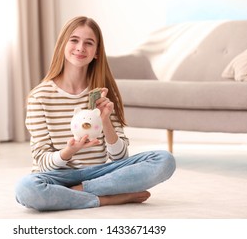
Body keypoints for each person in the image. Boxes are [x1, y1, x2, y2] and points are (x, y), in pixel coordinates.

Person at [15, 16, 176, 211]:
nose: (80, 47)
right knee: (26, 189)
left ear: (97, 53)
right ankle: (109, 198)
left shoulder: (104, 94)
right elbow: (42, 162)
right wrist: (69, 151)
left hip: (101, 174)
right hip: (58, 177)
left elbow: (120, 158)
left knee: (165, 160)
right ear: (62, 45)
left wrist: (106, 120)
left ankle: (80, 192)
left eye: (88, 43)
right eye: (74, 40)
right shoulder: (39, 97)